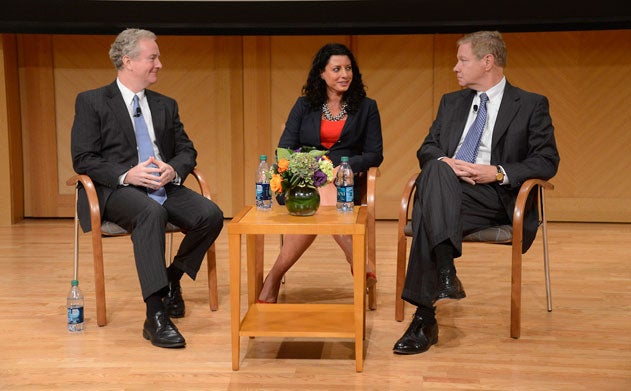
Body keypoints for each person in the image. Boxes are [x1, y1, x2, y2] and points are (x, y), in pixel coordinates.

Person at [393, 31, 560, 354]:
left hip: (495, 197)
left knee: (428, 208)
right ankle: (438, 286)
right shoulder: (451, 102)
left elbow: (546, 160)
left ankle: (427, 313)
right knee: (437, 171)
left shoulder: (529, 104)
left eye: (462, 60)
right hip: (449, 190)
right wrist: (446, 163)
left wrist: (497, 172)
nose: (455, 67)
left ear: (487, 62)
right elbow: (428, 148)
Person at [70, 28, 224, 348]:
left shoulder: (166, 104)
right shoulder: (92, 101)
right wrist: (127, 174)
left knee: (211, 214)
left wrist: (174, 168)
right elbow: (83, 159)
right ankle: (155, 315)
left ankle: (172, 278)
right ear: (128, 61)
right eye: (153, 57)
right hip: (115, 190)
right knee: (151, 213)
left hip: (162, 184)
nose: (159, 64)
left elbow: (187, 151)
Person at [257, 43, 384, 303]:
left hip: (345, 182)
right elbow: (284, 149)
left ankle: (272, 280)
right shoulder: (304, 105)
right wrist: (309, 168)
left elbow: (374, 154)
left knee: (324, 191)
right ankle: (359, 259)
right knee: (320, 188)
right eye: (336, 69)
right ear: (321, 74)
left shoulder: (366, 107)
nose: (344, 74)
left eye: (348, 68)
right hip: (302, 178)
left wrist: (346, 167)